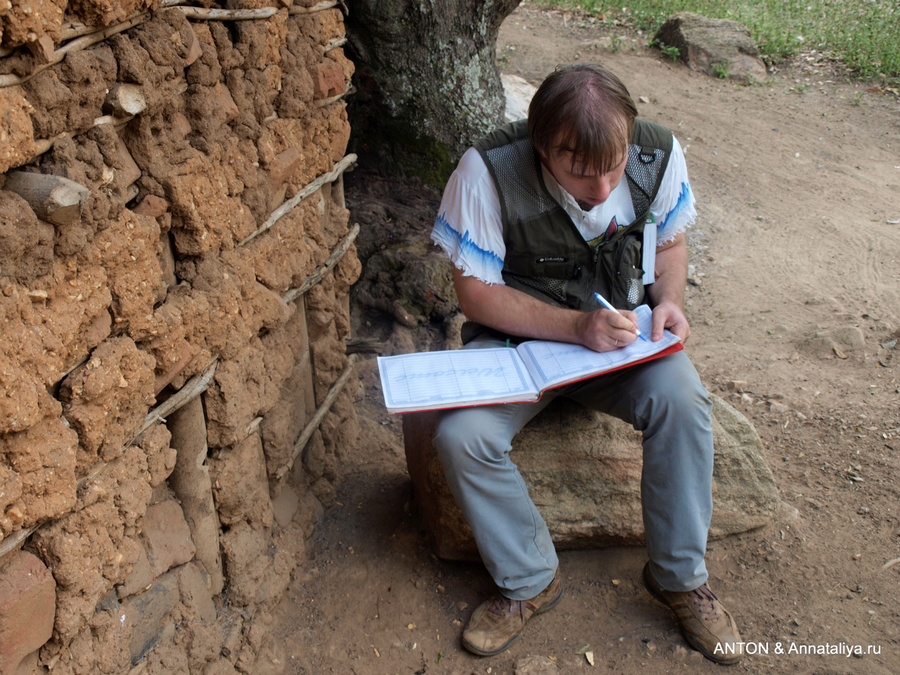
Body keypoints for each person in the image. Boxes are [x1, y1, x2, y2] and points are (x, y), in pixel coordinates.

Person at [428, 63, 743, 665]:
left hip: (622, 340)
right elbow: (476, 295)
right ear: (542, 146)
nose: (601, 190)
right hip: (515, 344)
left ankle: (681, 579)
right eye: (578, 171)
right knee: (462, 435)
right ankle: (529, 580)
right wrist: (575, 327)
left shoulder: (656, 153)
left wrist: (669, 302)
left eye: (613, 168)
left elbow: (670, 243)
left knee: (681, 400)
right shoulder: (487, 172)